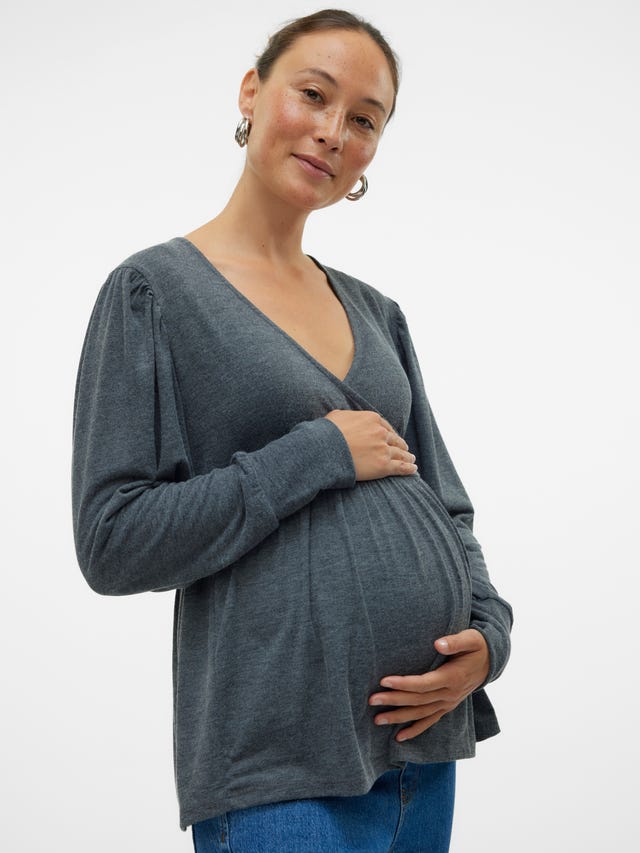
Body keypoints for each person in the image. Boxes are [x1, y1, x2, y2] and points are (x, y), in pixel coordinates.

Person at [72, 9, 513, 852]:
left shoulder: (378, 312)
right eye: (314, 95)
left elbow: (446, 505)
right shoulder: (154, 293)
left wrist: (490, 637)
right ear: (251, 92)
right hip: (277, 766)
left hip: (424, 754)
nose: (333, 132)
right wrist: (316, 454)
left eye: (364, 119)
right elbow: (112, 539)